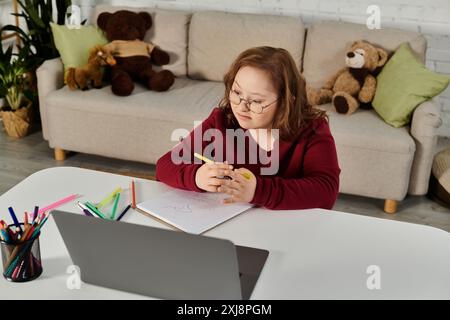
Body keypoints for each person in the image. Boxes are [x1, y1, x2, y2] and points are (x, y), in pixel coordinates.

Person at [156, 46, 340, 210]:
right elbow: (164, 165)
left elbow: (326, 191)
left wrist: (258, 191)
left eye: (257, 101)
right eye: (236, 93)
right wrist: (196, 176)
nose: (241, 106)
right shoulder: (222, 120)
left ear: (285, 103)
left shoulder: (312, 129)